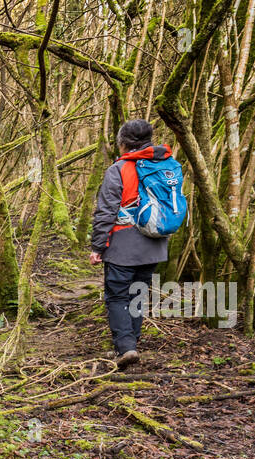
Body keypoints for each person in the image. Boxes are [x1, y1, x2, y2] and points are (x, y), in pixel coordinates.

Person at [89, 119, 170, 368]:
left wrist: (98, 246)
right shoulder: (165, 166)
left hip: (122, 245)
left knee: (117, 296)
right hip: (154, 244)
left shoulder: (119, 169)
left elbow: (106, 211)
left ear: (122, 142)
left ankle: (126, 347)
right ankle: (131, 341)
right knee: (138, 293)